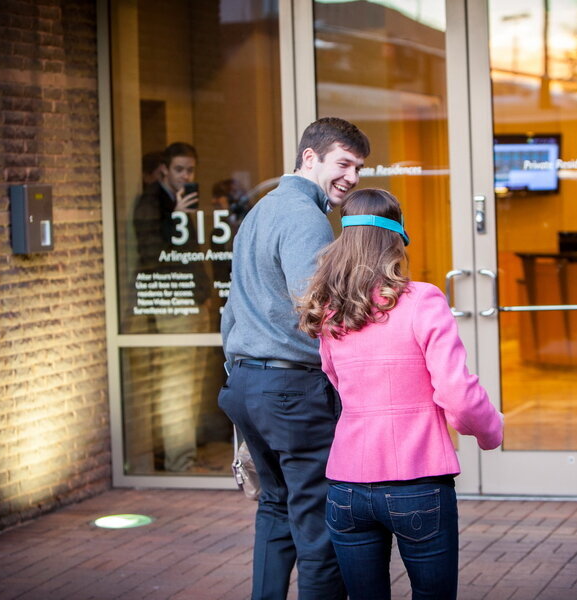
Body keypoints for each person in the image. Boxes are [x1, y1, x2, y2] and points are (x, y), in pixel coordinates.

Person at [297, 188, 504, 600]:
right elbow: (457, 394)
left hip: (346, 484)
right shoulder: (422, 300)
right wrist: (490, 431)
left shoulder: (330, 309)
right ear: (397, 239)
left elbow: (336, 380)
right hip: (418, 481)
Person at [218, 117, 370, 600]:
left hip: (248, 385)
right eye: (343, 163)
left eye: (359, 167)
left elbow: (231, 308)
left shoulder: (260, 212)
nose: (352, 176)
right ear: (310, 157)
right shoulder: (306, 218)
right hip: (291, 392)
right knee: (318, 522)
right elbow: (316, 309)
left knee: (276, 510)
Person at [133, 142, 212, 472]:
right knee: (176, 386)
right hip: (173, 305)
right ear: (164, 169)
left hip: (194, 302)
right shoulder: (151, 201)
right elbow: (152, 253)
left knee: (190, 384)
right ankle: (180, 461)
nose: (185, 176)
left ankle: (185, 456)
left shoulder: (182, 201)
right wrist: (177, 219)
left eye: (190, 170)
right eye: (179, 169)